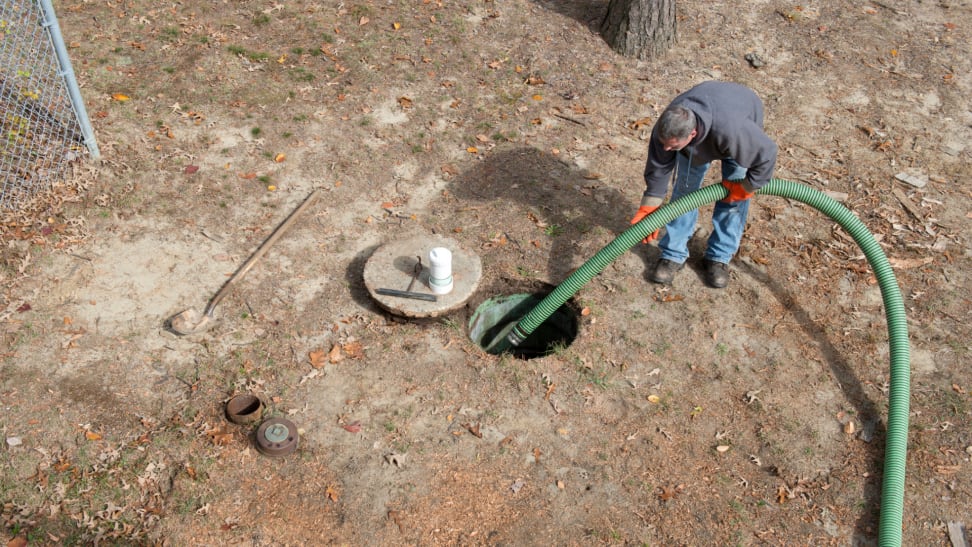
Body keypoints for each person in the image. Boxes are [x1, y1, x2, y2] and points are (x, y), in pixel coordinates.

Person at [629, 81, 778, 289]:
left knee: (733, 200)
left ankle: (719, 256)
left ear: (692, 134)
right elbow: (659, 165)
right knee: (684, 192)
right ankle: (673, 253)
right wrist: (651, 203)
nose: (666, 148)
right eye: (665, 143)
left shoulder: (734, 130)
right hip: (709, 123)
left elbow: (767, 154)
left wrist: (747, 187)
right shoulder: (667, 128)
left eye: (672, 145)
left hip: (737, 118)